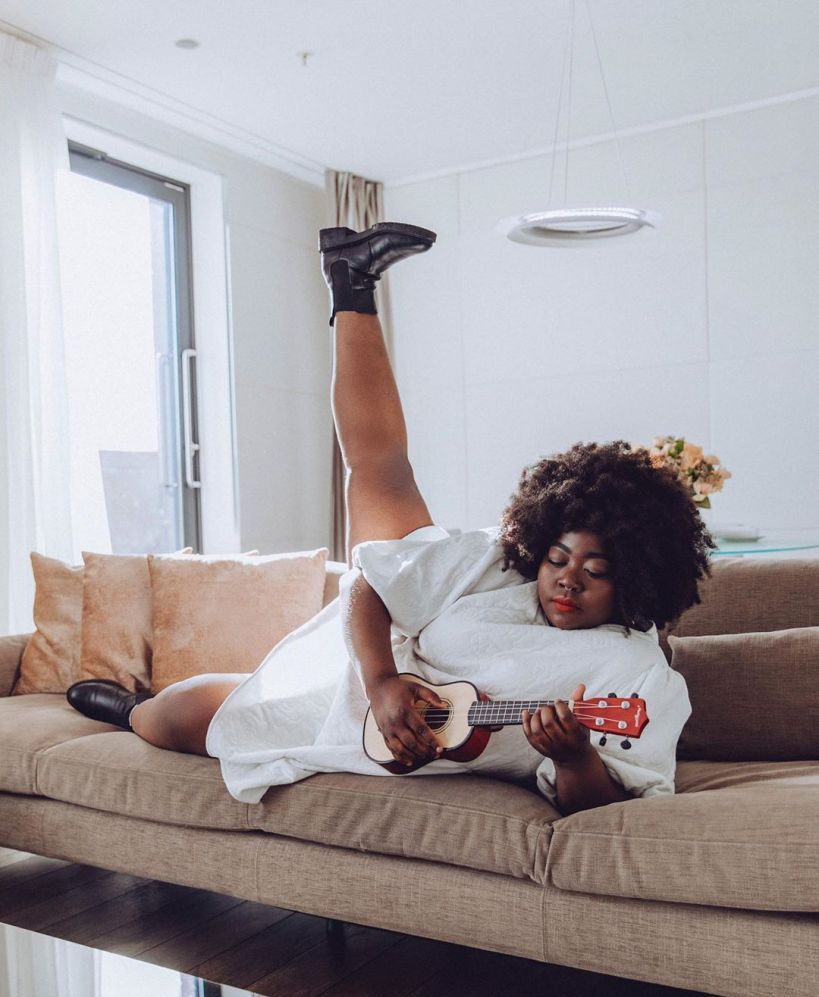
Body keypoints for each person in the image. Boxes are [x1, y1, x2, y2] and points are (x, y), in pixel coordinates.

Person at [66, 222, 714, 815]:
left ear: (634, 582)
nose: (566, 580)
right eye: (557, 557)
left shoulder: (632, 678)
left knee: (191, 722)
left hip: (378, 736)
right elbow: (368, 583)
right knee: (378, 471)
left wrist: (573, 754)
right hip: (373, 667)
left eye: (595, 571)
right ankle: (351, 281)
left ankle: (133, 709)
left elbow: (598, 804)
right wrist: (380, 681)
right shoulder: (501, 561)